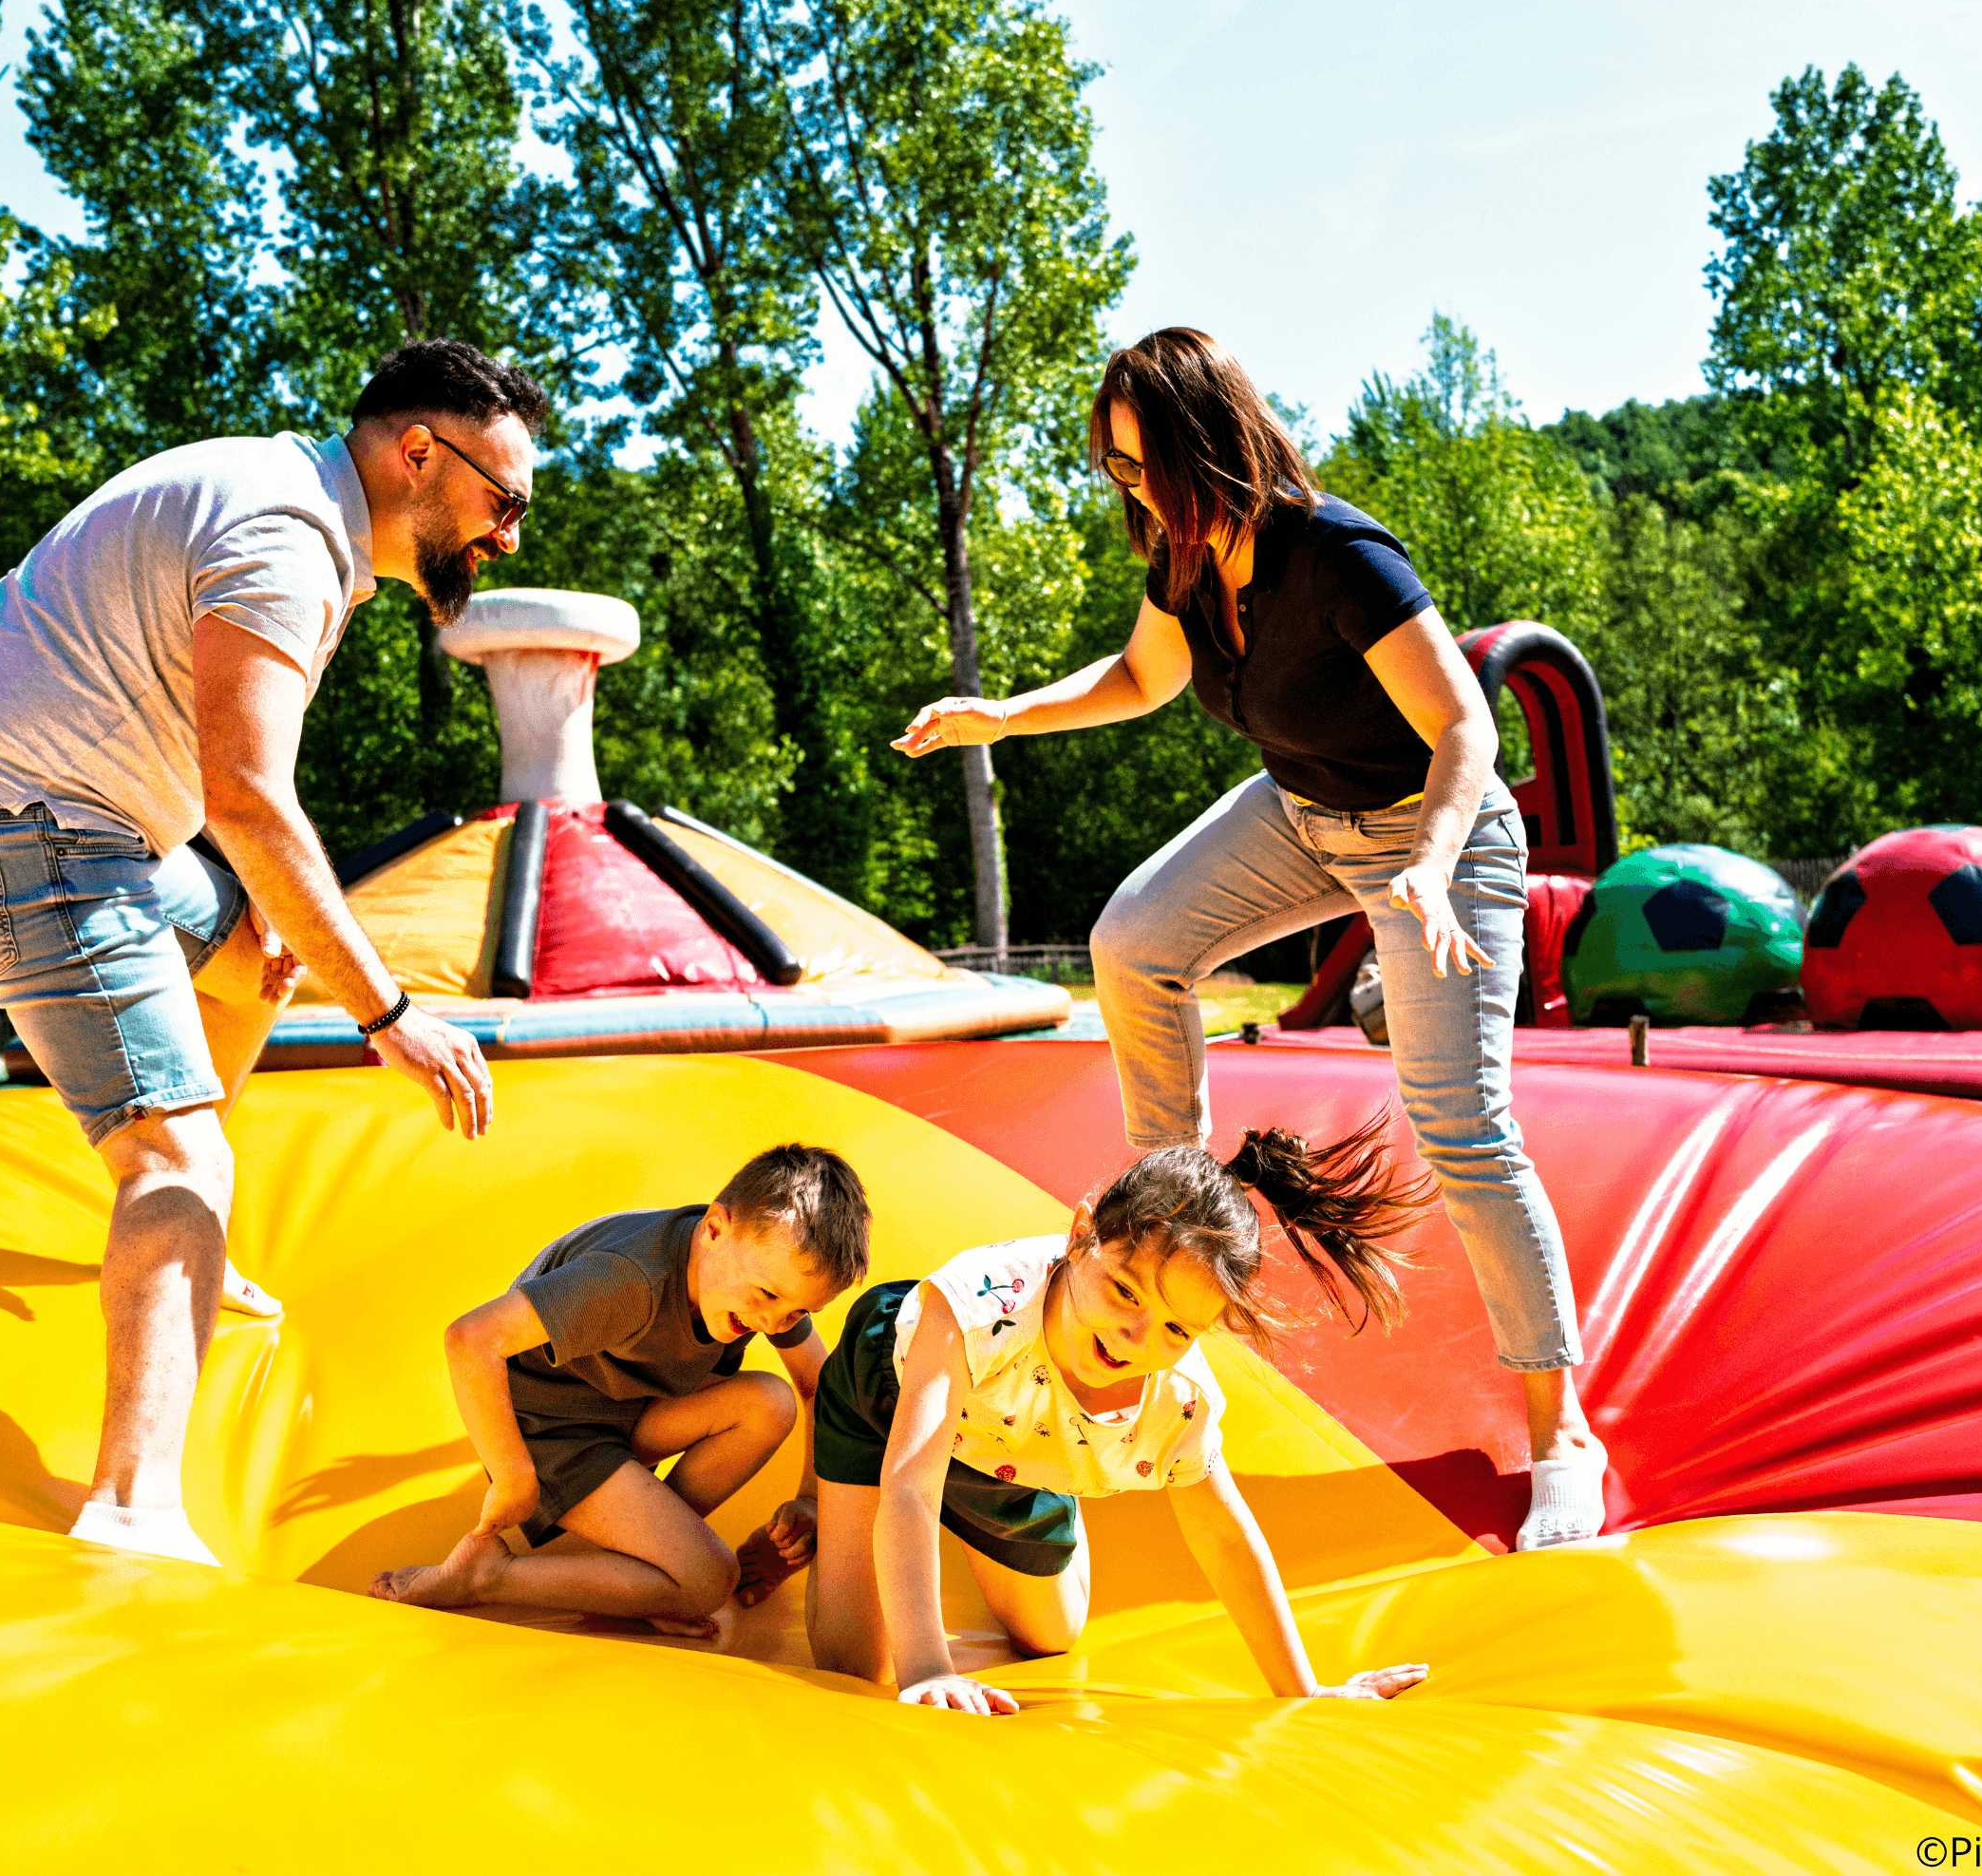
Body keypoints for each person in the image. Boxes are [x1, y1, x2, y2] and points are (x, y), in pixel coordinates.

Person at [893, 326, 1610, 1552]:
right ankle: (1170, 1217)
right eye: (1115, 469)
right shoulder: (1186, 561)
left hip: (1438, 835)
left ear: (1203, 438)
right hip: (1303, 816)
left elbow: (1465, 730)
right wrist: (999, 716)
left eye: (1143, 463)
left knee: (1460, 1123)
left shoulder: (1340, 555)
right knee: (1135, 941)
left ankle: (1562, 1436)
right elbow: (1138, 676)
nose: (1133, 491)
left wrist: (1426, 873)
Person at [0, 338, 537, 1566]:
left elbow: (227, 798)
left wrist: (288, 926)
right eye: (504, 500)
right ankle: (129, 1502)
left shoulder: (288, 501)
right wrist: (391, 1015)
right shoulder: (285, 541)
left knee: (257, 955)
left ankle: (195, 1259)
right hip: (17, 824)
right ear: (418, 454)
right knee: (178, 1158)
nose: (508, 535)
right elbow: (246, 796)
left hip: (81, 823)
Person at [804, 1125, 1433, 1715]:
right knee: (851, 1663)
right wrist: (928, 1669)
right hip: (887, 1403)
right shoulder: (976, 1302)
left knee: (1052, 1636)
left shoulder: (1179, 1397)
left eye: (1176, 1327)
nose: (1135, 1336)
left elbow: (1225, 1538)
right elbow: (912, 1486)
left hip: (1012, 1451)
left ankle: (1031, 1497)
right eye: (1126, 1291)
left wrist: (1304, 1690)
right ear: (1081, 1236)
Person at [369, 1145, 871, 1638]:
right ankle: (484, 1574)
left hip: (622, 1409)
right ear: (714, 1229)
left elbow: (821, 1387)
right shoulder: (631, 1280)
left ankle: (637, 1574)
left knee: (769, 1403)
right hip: (552, 1432)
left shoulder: (758, 1271)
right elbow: (471, 1339)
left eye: (799, 1312)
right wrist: (513, 1476)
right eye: (767, 1298)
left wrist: (810, 1501)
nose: (772, 1322)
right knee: (710, 1580)